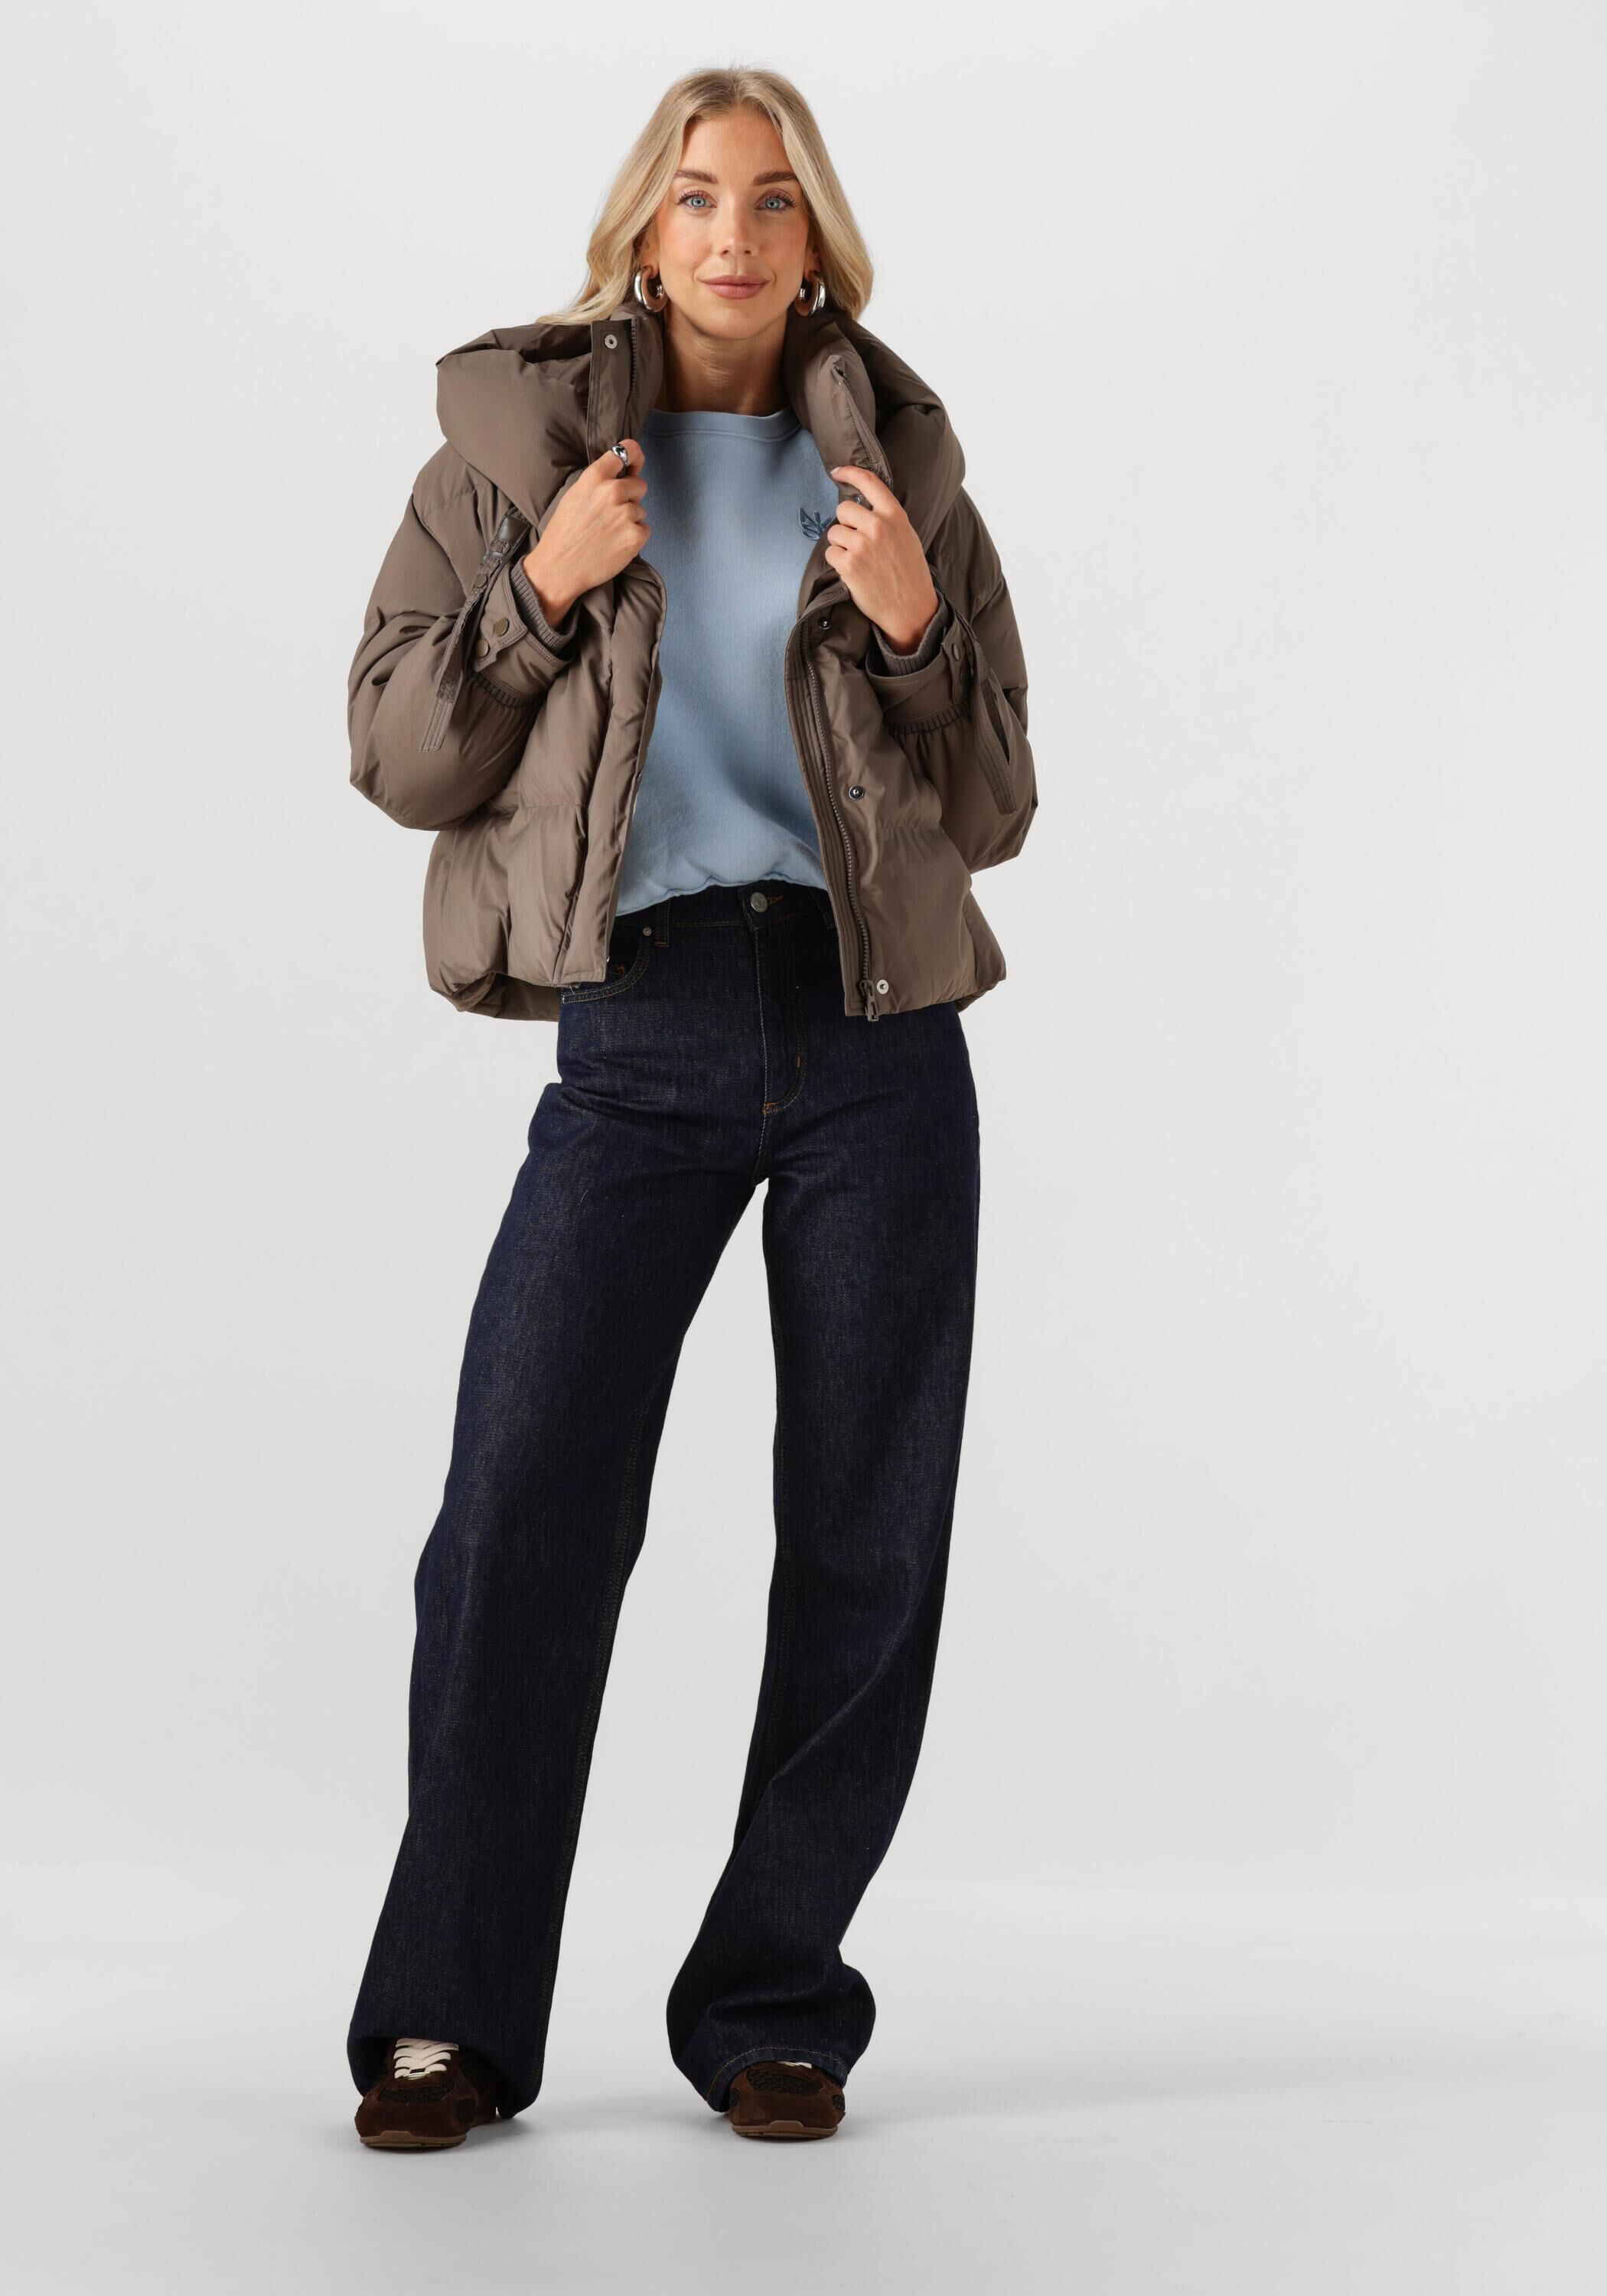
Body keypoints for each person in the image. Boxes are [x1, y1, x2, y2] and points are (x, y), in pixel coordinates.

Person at [344, 63, 1038, 2151]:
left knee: (866, 1535)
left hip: (875, 1030)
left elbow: (995, 799)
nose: (734, 236)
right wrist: (539, 589)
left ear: (817, 241)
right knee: (516, 1517)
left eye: (772, 201)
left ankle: (773, 2002)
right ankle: (449, 2019)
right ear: (642, 232)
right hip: (637, 1034)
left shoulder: (899, 469)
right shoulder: (518, 459)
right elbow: (396, 753)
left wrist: (914, 635)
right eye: (697, 196)